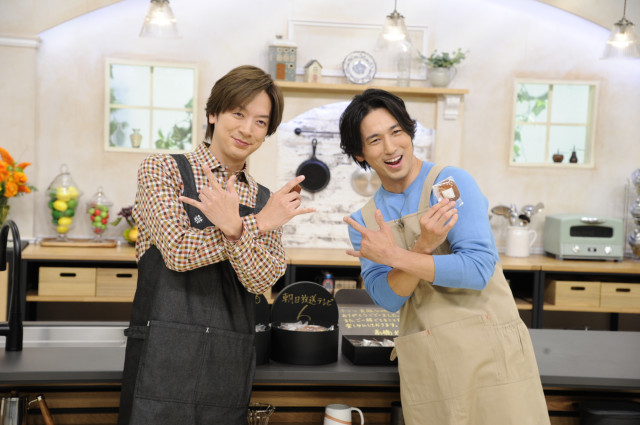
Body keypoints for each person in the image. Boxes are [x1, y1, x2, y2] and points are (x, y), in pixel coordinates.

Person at [339, 88, 550, 425]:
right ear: (360, 153)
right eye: (375, 140)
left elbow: (477, 269)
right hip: (430, 362)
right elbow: (388, 299)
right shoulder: (364, 220)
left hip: (490, 352)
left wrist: (395, 256)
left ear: (410, 132)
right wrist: (422, 247)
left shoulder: (448, 184)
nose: (391, 147)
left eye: (396, 132)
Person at [118, 65, 314, 425]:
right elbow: (177, 251)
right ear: (213, 113)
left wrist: (237, 230)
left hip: (227, 357)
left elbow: (262, 279)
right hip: (162, 352)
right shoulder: (163, 170)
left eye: (260, 121)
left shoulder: (263, 197)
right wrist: (255, 224)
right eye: (238, 113)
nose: (247, 129)